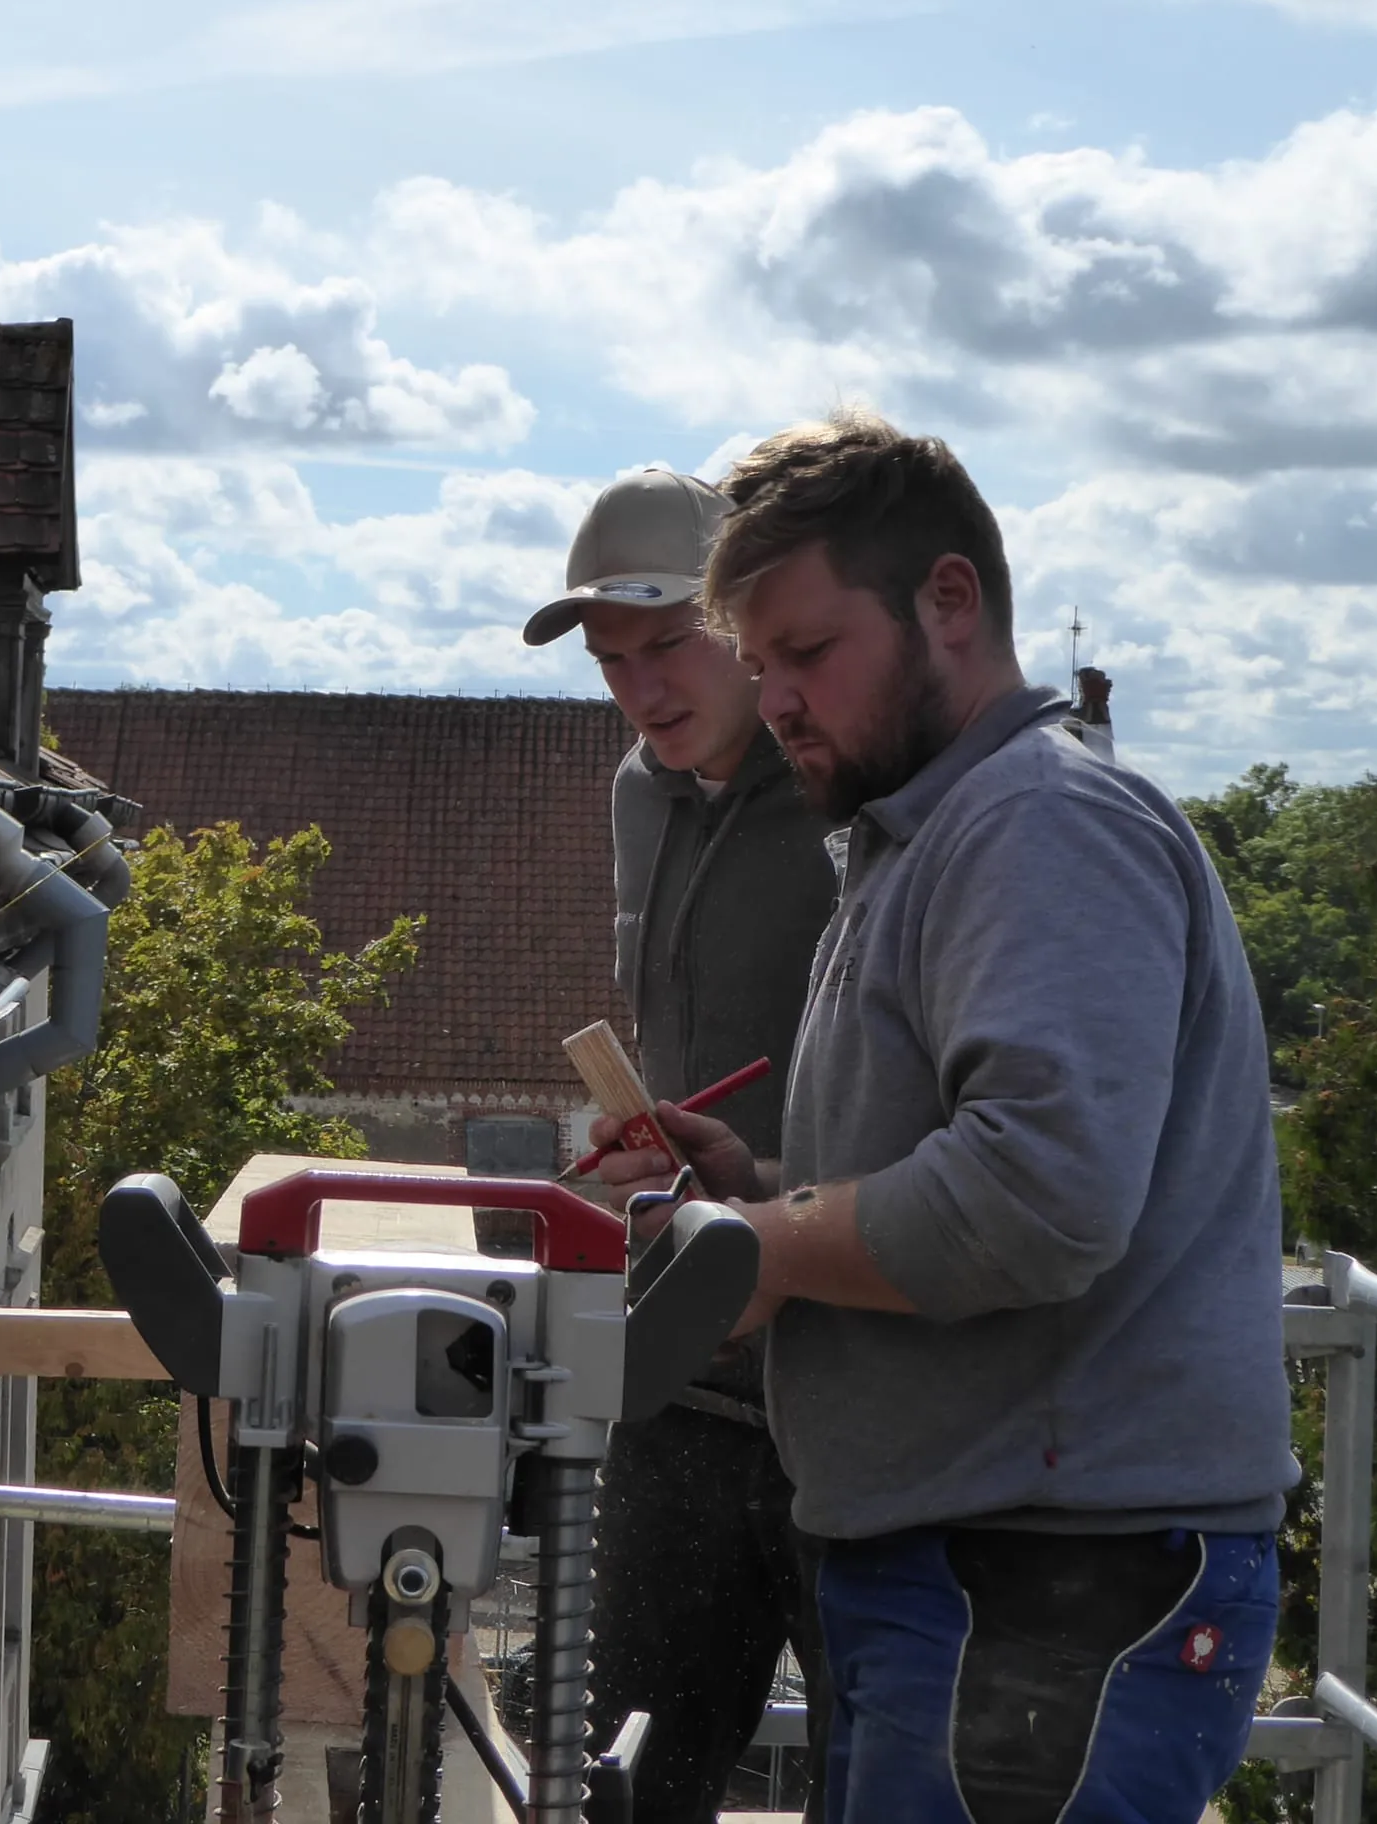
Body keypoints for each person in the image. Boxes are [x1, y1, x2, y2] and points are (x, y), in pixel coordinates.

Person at [594, 414, 1295, 1822]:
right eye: (759, 659)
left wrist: (765, 1244)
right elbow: (978, 1167)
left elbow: (1038, 1199)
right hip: (985, 1577)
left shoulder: (1041, 826)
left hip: (1056, 1590)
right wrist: (777, 1183)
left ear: (950, 600)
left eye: (807, 651)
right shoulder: (932, 837)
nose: (776, 695)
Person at [523, 469, 835, 1822]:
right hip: (679, 1377)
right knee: (624, 1785)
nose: (642, 690)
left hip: (848, 1372)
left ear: (743, 623)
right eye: (611, 662)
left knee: (880, 1785)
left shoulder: (851, 792)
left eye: (667, 645)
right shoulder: (637, 798)